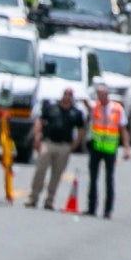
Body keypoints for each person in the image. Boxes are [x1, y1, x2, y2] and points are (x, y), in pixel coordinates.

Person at [28, 82, 81, 210]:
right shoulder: (51, 108)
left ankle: (49, 200)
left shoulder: (75, 113)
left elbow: (81, 129)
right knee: (40, 171)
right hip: (48, 142)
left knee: (56, 175)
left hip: (64, 146)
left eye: (70, 95)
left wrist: (76, 143)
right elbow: (39, 121)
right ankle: (33, 198)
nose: (67, 97)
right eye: (65, 94)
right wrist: (37, 137)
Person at [86, 77, 129, 217]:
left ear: (107, 95)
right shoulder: (95, 107)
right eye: (98, 94)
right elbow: (86, 105)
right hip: (96, 148)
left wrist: (126, 148)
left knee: (109, 179)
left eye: (102, 94)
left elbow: (123, 129)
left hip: (110, 149)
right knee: (93, 179)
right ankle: (92, 207)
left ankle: (108, 210)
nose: (100, 97)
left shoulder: (117, 109)